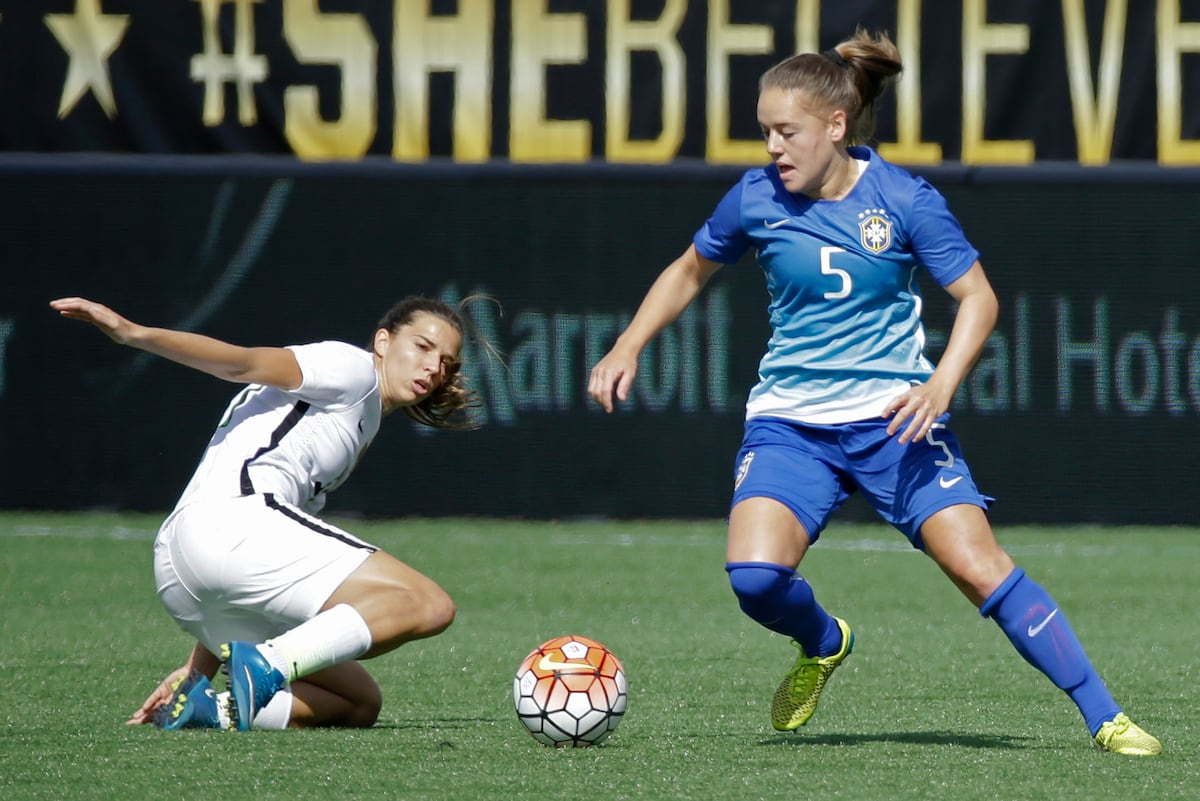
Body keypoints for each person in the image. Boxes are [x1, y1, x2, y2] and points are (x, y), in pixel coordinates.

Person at [587, 29, 1160, 756]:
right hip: (791, 424)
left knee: (982, 570)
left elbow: (978, 298)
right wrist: (628, 343)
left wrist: (940, 382)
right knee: (756, 578)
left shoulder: (904, 199)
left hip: (896, 424)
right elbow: (689, 269)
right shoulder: (755, 196)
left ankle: (1105, 716)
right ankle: (824, 641)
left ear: (835, 126)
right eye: (764, 131)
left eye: (785, 131)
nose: (772, 147)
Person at [51, 293, 489, 731]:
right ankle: (268, 664)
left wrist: (197, 673)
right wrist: (133, 334)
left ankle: (212, 711)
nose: (433, 368)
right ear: (383, 341)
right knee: (426, 603)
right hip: (230, 523)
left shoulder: (362, 419)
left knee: (357, 703)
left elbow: (252, 567)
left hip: (187, 575)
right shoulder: (353, 369)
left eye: (447, 362)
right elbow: (240, 363)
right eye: (423, 347)